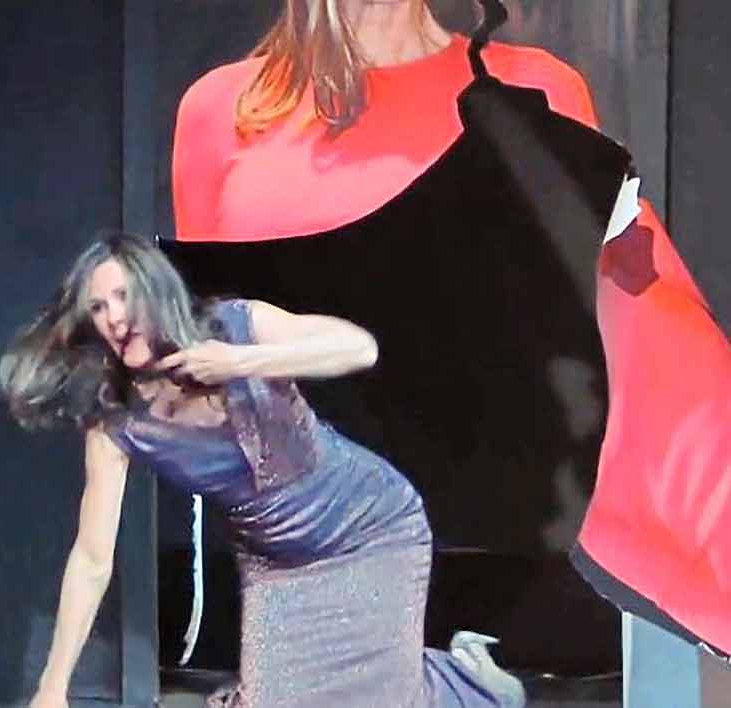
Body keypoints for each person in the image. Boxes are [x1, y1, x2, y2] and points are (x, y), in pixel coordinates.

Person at [170, 2, 731, 704]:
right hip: (298, 590)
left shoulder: (537, 91)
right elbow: (209, 368)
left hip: (488, 600)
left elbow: (649, 350)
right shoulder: (222, 110)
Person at [0, 233, 524, 708]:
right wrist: (53, 687)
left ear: (155, 289)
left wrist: (239, 362)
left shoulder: (237, 324)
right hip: (277, 568)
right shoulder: (117, 419)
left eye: (123, 296)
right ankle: (444, 674)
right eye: (97, 307)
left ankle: (474, 684)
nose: (114, 318)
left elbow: (360, 349)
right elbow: (92, 559)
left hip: (370, 529)